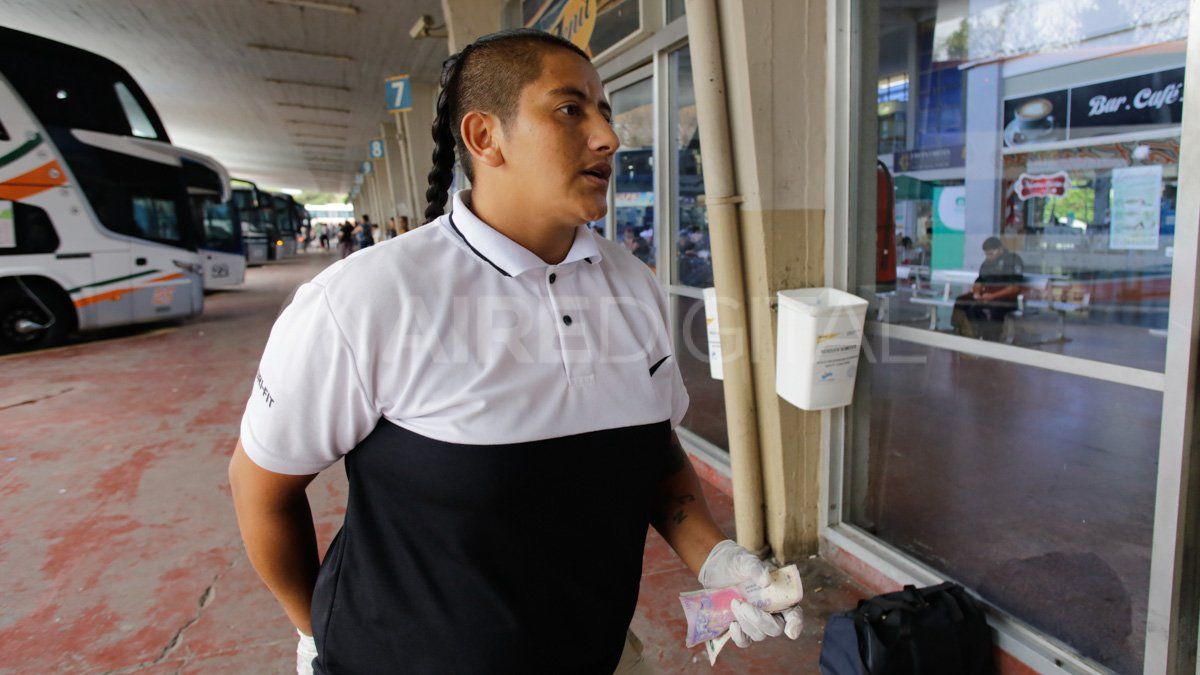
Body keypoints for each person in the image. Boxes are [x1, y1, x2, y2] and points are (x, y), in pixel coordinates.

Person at [229, 29, 801, 675]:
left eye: (605, 111)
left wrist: (716, 558)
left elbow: (650, 450)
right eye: (570, 109)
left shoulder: (632, 285)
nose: (607, 136)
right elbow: (261, 486)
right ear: (483, 137)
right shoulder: (365, 298)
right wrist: (318, 634)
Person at [952, 236, 1025, 340]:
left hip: (1006, 297)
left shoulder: (1013, 260)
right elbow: (979, 281)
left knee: (994, 308)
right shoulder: (987, 263)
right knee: (962, 301)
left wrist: (992, 296)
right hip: (987, 295)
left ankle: (990, 337)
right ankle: (964, 331)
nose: (988, 257)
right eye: (986, 254)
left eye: (991, 254)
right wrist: (977, 293)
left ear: (1000, 249)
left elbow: (1014, 288)